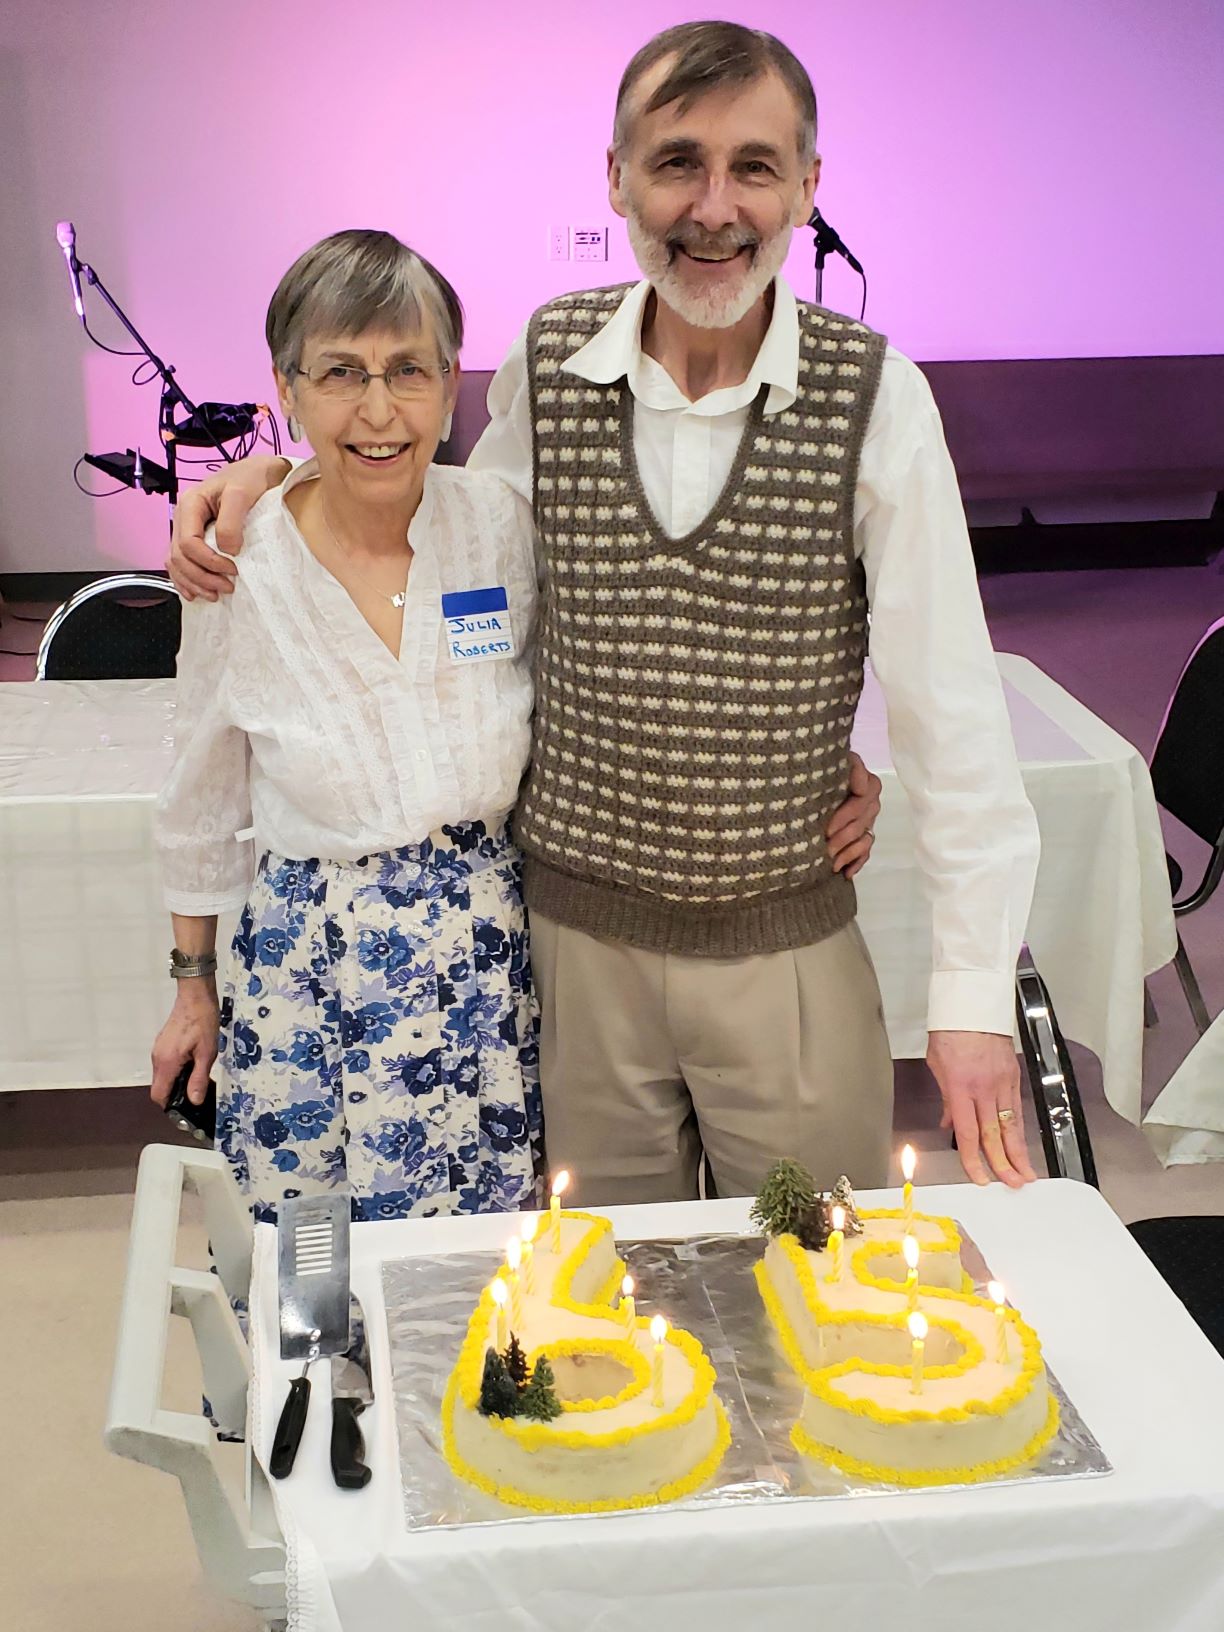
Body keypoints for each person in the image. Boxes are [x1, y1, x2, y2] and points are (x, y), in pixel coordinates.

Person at [168, 21, 1038, 1202]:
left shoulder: (877, 401)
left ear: (809, 187)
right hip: (565, 954)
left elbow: (957, 715)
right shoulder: (548, 360)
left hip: (778, 949)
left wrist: (975, 1003)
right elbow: (456, 538)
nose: (715, 206)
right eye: (677, 161)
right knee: (600, 1321)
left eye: (755, 166)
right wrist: (268, 478)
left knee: (812, 1299)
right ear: (617, 177)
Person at [151, 229, 545, 1222]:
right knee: (311, 1289)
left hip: (488, 974)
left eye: (408, 370)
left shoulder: (498, 525)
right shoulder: (237, 564)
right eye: (340, 374)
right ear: (287, 389)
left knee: (482, 1290)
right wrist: (194, 988)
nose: (378, 410)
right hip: (311, 977)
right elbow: (201, 796)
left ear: (452, 379)